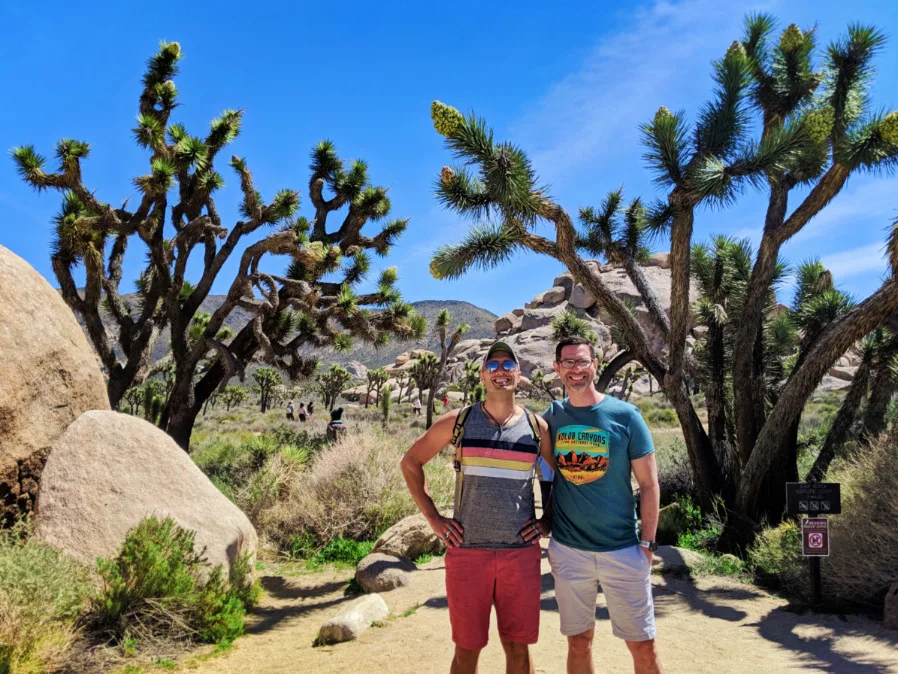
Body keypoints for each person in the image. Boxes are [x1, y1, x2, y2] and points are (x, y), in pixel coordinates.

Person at [400, 342, 555, 674]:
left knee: (517, 649)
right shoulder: (458, 422)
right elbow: (411, 462)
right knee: (467, 650)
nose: (501, 371)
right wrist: (433, 517)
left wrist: (548, 519)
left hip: (520, 553)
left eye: (508, 365)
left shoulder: (535, 427)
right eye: (494, 365)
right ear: (483, 374)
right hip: (468, 552)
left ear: (519, 374)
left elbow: (556, 474)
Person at [543, 336, 663, 674]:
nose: (576, 369)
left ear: (595, 365)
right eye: (568, 363)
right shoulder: (551, 417)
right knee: (579, 641)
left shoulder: (625, 416)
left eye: (583, 362)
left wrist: (648, 543)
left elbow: (649, 483)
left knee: (643, 645)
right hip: (569, 551)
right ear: (557, 369)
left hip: (623, 548)